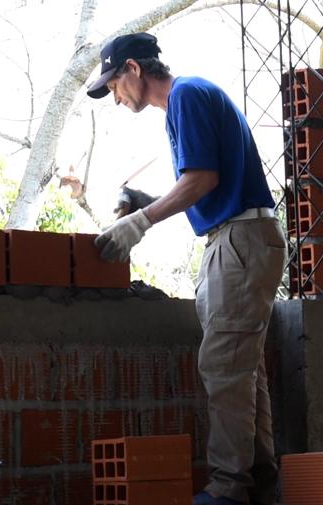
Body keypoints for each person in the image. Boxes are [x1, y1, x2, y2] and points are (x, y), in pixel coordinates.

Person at [87, 32, 285, 505]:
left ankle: (228, 490)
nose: (115, 98)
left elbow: (201, 180)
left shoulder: (187, 95)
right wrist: (145, 202)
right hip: (240, 237)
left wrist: (142, 219)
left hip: (238, 240)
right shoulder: (189, 99)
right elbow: (207, 185)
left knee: (223, 366)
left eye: (114, 85)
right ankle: (261, 482)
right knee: (243, 368)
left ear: (133, 69)